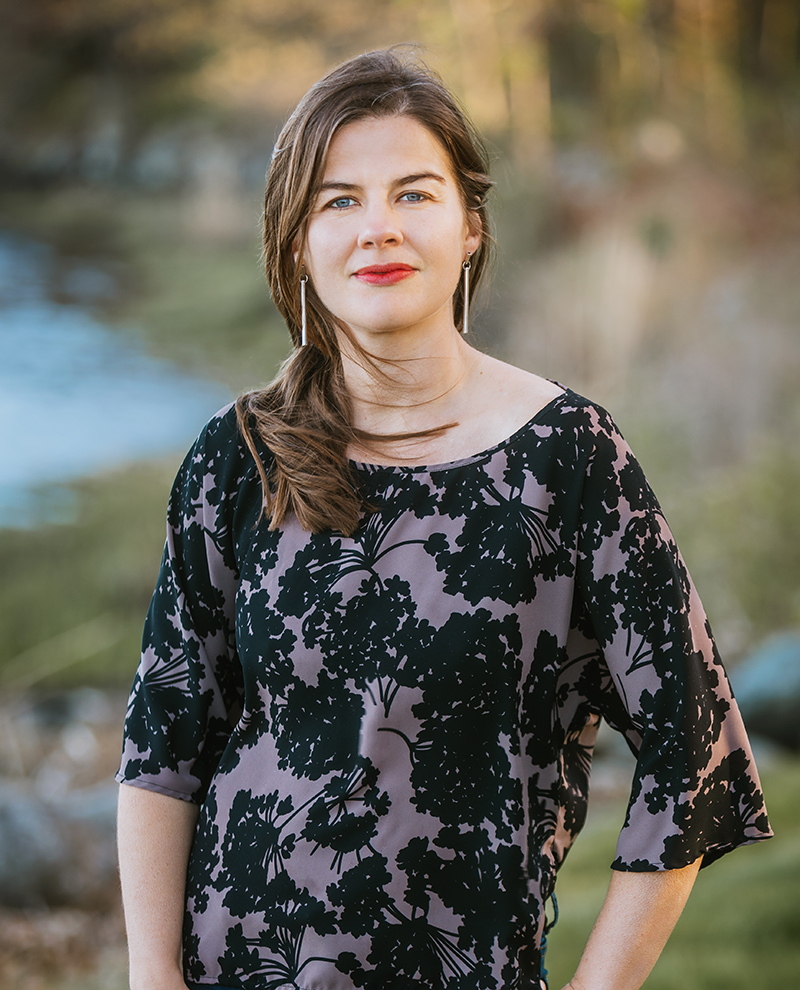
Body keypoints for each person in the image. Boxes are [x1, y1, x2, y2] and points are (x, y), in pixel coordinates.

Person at [116, 48, 772, 990]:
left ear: (470, 226)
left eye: (413, 193)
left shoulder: (568, 459)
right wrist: (153, 975)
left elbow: (694, 750)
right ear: (297, 242)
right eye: (339, 201)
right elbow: (164, 742)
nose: (377, 227)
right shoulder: (240, 456)